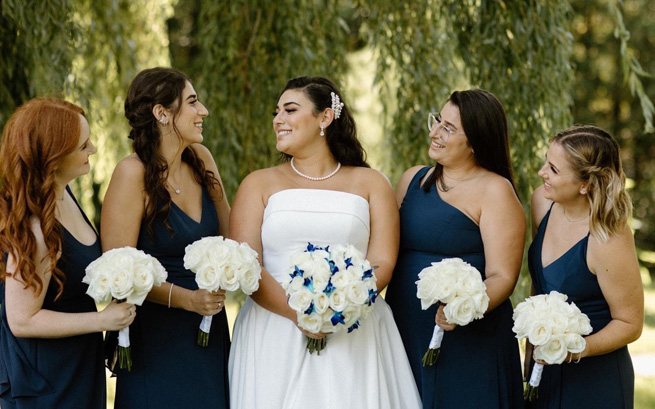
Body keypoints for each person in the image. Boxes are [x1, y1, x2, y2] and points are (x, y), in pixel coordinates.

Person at [228, 76, 421, 409]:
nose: (278, 120)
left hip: (354, 329)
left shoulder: (371, 183)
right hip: (274, 329)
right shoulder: (257, 184)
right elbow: (248, 266)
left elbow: (383, 260)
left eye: (290, 110)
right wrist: (299, 314)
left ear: (325, 118)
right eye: (276, 112)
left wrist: (340, 307)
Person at [385, 89, 526, 408]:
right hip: (405, 325)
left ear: (476, 141)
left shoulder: (495, 191)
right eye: (437, 121)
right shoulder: (412, 179)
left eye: (448, 128)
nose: (435, 132)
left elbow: (502, 275)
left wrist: (461, 308)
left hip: (466, 337)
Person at [101, 67, 231, 408]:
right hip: (156, 340)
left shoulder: (201, 159)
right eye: (192, 102)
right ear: (162, 113)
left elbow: (232, 238)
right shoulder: (132, 174)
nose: (203, 111)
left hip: (208, 334)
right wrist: (187, 299)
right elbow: (118, 273)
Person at [0, 98, 135, 408]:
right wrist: (102, 321)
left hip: (77, 363)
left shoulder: (64, 194)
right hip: (47, 380)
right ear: (54, 156)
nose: (93, 151)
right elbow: (21, 319)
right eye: (82, 146)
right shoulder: (35, 226)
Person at [526, 125, 643, 408]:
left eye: (553, 169)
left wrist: (574, 349)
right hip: (543, 369)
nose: (542, 172)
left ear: (585, 184)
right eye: (545, 161)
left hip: (595, 382)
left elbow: (630, 323)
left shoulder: (608, 237)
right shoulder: (542, 203)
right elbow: (539, 289)